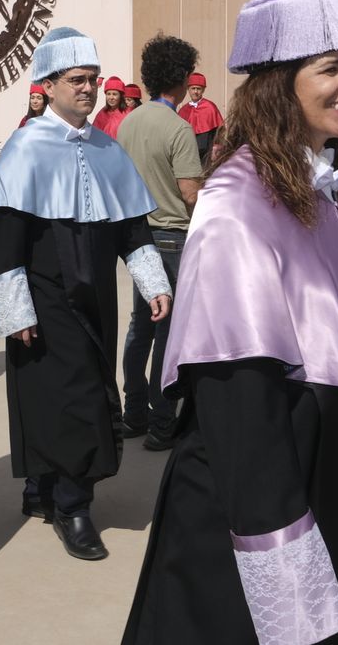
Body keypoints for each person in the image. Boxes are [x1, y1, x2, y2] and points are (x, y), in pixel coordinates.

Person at [124, 0, 338, 645]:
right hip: (283, 490)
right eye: (331, 67)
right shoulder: (237, 202)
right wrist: (289, 584)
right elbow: (240, 406)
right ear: (279, 84)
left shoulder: (323, 184)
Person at [0, 27, 173, 562]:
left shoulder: (108, 147)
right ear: (48, 84)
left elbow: (132, 228)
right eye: (76, 80)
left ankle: (51, 489)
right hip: (42, 296)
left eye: (92, 79)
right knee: (60, 396)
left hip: (95, 297)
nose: (88, 88)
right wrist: (13, 309)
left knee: (75, 392)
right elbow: (4, 239)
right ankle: (71, 504)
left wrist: (153, 282)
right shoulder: (26, 147)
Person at [117, 35, 205, 452]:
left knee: (139, 329)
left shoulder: (128, 122)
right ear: (182, 77)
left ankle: (132, 413)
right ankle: (162, 421)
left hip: (136, 238)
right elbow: (191, 193)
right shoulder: (178, 128)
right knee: (168, 332)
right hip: (172, 237)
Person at [178, 71, 224, 162]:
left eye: (198, 89)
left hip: (206, 155)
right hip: (187, 154)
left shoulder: (210, 107)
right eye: (193, 88)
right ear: (188, 89)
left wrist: (217, 147)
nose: (195, 92)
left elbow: (219, 130)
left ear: (203, 90)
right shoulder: (183, 110)